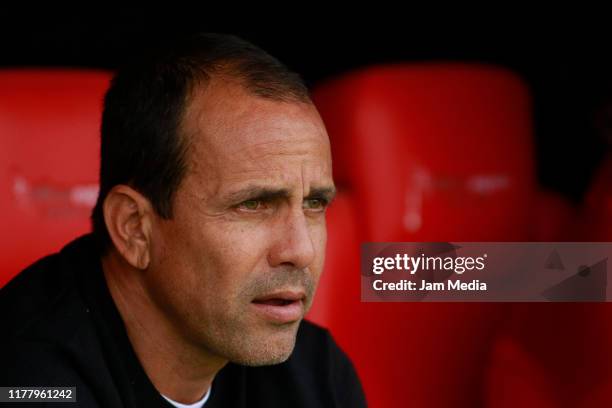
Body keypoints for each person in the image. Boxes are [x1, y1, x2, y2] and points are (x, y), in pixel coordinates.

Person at [0, 33, 366, 407]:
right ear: (134, 228)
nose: (301, 250)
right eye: (253, 205)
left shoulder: (315, 374)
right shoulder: (27, 379)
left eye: (314, 203)